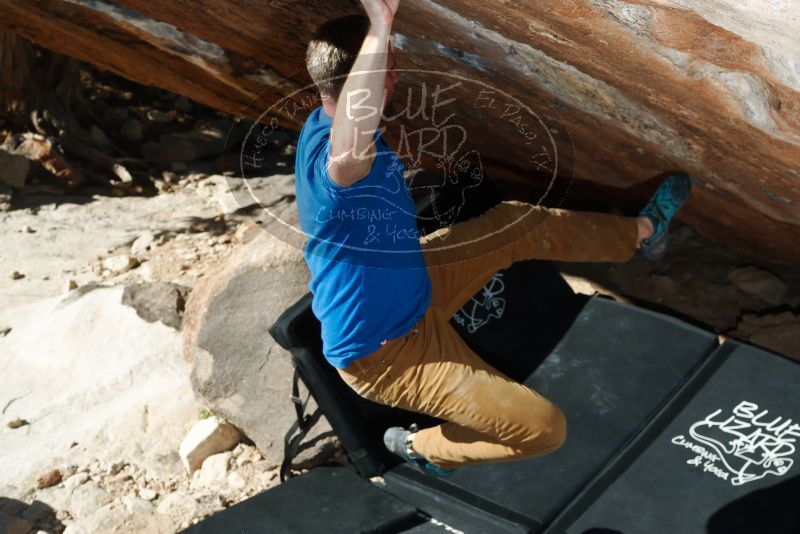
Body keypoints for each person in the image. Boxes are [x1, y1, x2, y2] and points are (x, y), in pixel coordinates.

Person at [294, 1, 691, 476]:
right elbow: (347, 150)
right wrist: (381, 25)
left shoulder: (324, 119)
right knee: (543, 428)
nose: (395, 76)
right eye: (389, 67)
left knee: (512, 226)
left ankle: (641, 233)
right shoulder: (337, 167)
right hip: (387, 353)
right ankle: (426, 449)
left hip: (415, 281)